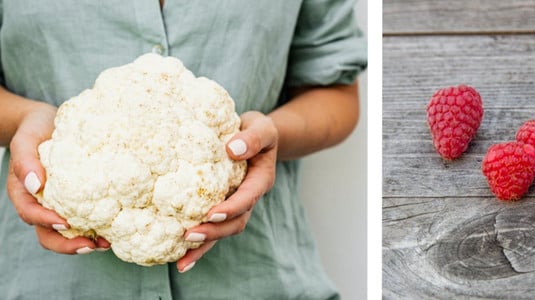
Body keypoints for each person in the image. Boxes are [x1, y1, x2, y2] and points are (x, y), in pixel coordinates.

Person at [0, 1, 366, 299]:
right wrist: (26, 119)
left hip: (260, 280)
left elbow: (335, 90)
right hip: (42, 283)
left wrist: (265, 139)